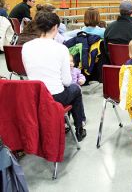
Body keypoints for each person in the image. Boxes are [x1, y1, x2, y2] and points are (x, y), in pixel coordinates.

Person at [22, 11, 87, 141]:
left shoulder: (26, 47)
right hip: (54, 96)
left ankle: (63, 124)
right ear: (55, 27)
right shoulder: (61, 49)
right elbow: (67, 82)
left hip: (33, 97)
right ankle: (79, 128)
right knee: (75, 89)